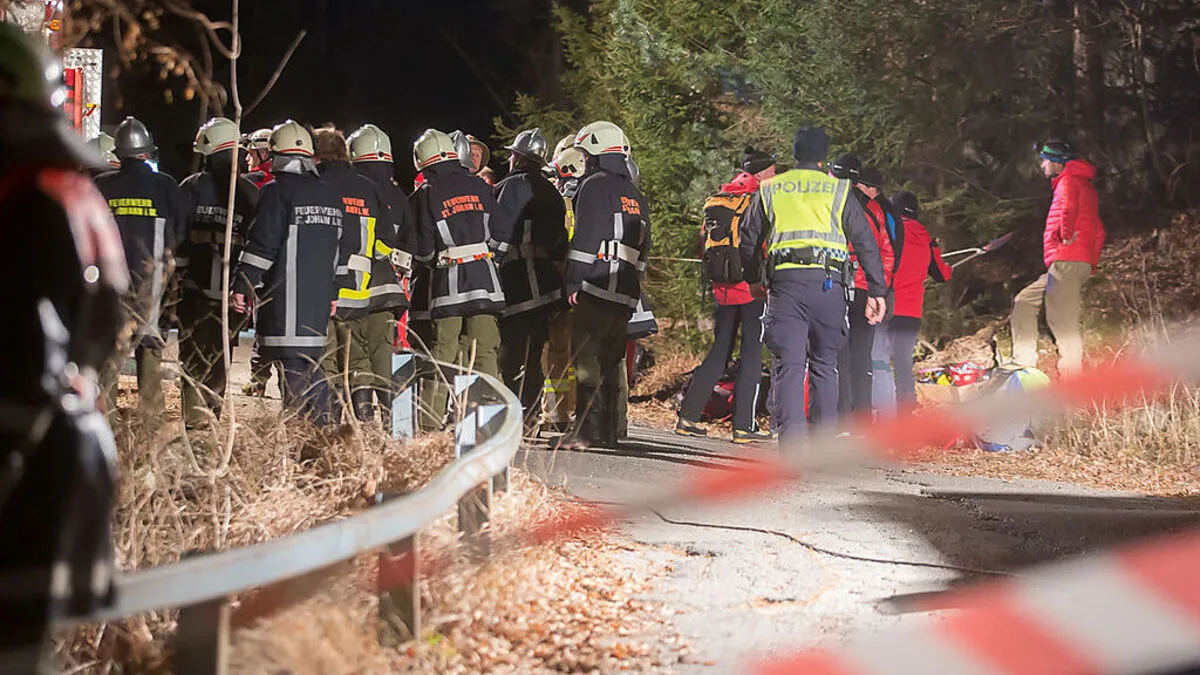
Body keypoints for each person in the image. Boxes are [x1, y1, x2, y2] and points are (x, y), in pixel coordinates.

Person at [0, 23, 128, 669]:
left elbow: (23, 356)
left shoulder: (24, 206)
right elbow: (100, 328)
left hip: (28, 470)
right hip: (71, 458)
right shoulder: (70, 193)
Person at [738, 126, 887, 445]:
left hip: (785, 286)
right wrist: (877, 291)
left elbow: (748, 238)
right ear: (823, 157)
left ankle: (790, 448)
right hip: (829, 286)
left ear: (795, 153)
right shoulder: (839, 190)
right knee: (824, 365)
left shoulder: (771, 188)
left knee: (789, 365)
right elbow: (866, 242)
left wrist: (752, 279)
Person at [231, 120, 349, 426]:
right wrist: (334, 292)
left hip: (285, 304)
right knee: (308, 366)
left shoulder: (276, 192)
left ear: (275, 155)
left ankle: (316, 435)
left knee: (296, 379)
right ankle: (324, 432)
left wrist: (242, 284)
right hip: (317, 307)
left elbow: (262, 245)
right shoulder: (331, 195)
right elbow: (339, 251)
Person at [410, 128, 513, 431]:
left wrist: (436, 261)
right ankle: (489, 425)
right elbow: (503, 234)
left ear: (422, 160)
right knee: (485, 355)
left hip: (448, 287)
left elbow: (423, 248)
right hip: (486, 284)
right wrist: (487, 258)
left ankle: (429, 429)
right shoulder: (481, 187)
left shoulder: (425, 193)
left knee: (442, 357)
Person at [676, 147, 777, 442]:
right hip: (751, 290)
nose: (774, 175)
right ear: (760, 172)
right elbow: (762, 246)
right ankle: (744, 426)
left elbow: (702, 247)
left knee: (718, 354)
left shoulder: (720, 199)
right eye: (771, 170)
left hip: (722, 289)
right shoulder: (761, 199)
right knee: (751, 357)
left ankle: (688, 417)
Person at [93, 115, 188, 426]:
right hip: (153, 287)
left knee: (109, 358)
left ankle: (104, 420)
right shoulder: (167, 187)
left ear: (118, 153)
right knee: (150, 352)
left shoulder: (102, 186)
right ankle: (151, 422)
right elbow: (181, 233)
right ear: (148, 152)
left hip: (111, 286)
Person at [562, 121, 650, 449]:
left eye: (586, 154)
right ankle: (610, 432)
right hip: (625, 288)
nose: (583, 161)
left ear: (596, 154)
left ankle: (586, 432)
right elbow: (645, 247)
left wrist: (573, 279)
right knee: (613, 362)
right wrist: (634, 286)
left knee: (586, 359)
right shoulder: (636, 194)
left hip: (596, 283)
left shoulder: (594, 186)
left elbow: (586, 236)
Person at [314, 127, 406, 424]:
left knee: (327, 359)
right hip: (360, 290)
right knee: (358, 358)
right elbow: (385, 243)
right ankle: (365, 420)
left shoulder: (317, 184)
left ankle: (329, 423)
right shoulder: (369, 189)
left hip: (325, 288)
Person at [177, 117, 260, 429]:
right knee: (220, 356)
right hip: (232, 294)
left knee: (192, 356)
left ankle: (193, 420)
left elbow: (178, 239)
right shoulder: (251, 194)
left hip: (194, 291)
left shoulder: (191, 188)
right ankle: (212, 418)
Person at [1010, 141, 1105, 375]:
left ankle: (1072, 378)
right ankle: (1023, 361)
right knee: (1024, 301)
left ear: (1056, 163)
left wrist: (1064, 236)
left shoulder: (1069, 181)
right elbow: (1100, 230)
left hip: (1067, 259)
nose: (1042, 165)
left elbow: (1067, 209)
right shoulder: (1085, 186)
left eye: (1044, 160)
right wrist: (1089, 261)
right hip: (1071, 261)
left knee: (1061, 320)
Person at [494, 128, 567, 428]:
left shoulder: (503, 189)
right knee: (535, 354)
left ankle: (509, 420)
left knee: (509, 356)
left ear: (519, 158)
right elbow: (560, 242)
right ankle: (531, 416)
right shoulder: (552, 193)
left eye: (513, 154)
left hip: (514, 283)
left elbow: (495, 235)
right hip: (546, 286)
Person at [831, 156, 896, 417]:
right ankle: (862, 420)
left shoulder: (828, 203)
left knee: (836, 355)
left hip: (832, 285)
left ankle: (838, 418)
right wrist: (878, 289)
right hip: (863, 288)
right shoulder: (873, 209)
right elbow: (885, 253)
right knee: (862, 356)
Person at [887, 192, 952, 410]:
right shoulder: (925, 239)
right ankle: (906, 407)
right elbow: (943, 275)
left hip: (886, 307)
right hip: (910, 311)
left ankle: (881, 408)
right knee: (903, 362)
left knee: (879, 360)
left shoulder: (890, 232)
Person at [541, 138, 586, 433]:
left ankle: (557, 412)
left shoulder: (562, 202)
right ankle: (574, 413)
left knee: (555, 352)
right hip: (584, 288)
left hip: (559, 285)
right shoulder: (591, 198)